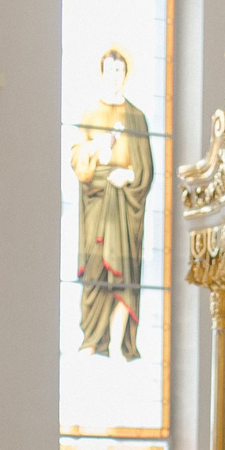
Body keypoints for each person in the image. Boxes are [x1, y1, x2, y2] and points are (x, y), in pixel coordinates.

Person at [71, 47, 154, 360]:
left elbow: (146, 168)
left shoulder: (137, 117)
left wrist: (130, 175)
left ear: (126, 74)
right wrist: (95, 146)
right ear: (102, 73)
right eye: (109, 71)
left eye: (120, 71)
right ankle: (91, 341)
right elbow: (77, 160)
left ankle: (118, 344)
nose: (115, 77)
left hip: (124, 204)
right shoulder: (90, 114)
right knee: (97, 271)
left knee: (122, 273)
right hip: (97, 203)